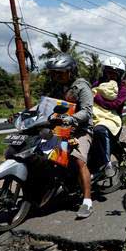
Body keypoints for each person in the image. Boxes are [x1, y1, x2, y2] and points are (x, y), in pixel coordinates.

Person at [45, 54, 94, 219]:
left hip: (81, 130)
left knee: (79, 159)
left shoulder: (81, 86)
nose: (56, 76)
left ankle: (87, 201)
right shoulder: (57, 88)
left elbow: (87, 111)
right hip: (61, 128)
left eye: (60, 73)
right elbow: (46, 104)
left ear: (71, 72)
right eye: (54, 73)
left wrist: (72, 118)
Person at [92, 57, 126, 178]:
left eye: (114, 73)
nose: (111, 75)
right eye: (109, 72)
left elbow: (114, 104)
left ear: (120, 75)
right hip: (94, 114)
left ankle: (107, 164)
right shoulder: (98, 83)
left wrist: (96, 97)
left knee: (99, 130)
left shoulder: (122, 88)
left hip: (112, 118)